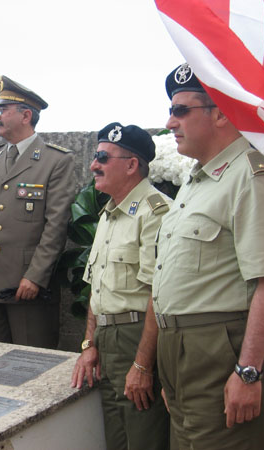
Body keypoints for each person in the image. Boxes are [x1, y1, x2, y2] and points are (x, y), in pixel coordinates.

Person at [152, 63, 264, 449]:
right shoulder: (196, 180)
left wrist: (249, 372)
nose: (170, 122)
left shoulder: (249, 175)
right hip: (181, 356)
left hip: (218, 350)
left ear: (219, 112)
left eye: (181, 110)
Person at [70, 122, 171, 450]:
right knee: (116, 440)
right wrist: (89, 346)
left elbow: (159, 295)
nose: (93, 165)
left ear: (131, 165)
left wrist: (142, 365)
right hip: (107, 340)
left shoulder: (155, 213)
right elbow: (96, 291)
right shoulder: (109, 214)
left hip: (137, 338)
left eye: (102, 157)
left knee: (144, 437)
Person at [0, 75, 76, 348]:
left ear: (26, 115)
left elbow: (55, 226)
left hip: (28, 287)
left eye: (2, 111)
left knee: (31, 365)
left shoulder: (55, 160)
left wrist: (35, 276)